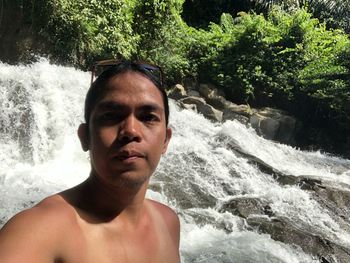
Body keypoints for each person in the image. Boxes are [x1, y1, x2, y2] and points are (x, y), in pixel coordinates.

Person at [0, 60, 180, 262]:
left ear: (165, 139)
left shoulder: (168, 222)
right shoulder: (40, 229)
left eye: (148, 117)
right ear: (85, 137)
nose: (130, 130)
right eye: (111, 116)